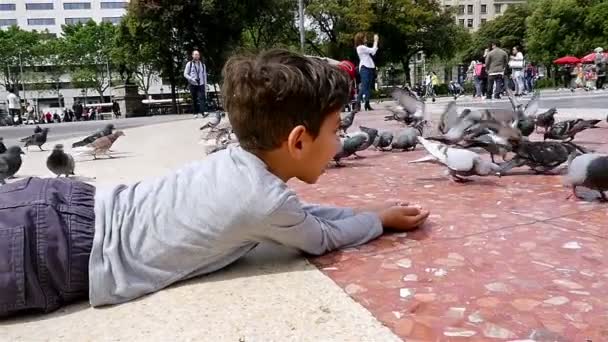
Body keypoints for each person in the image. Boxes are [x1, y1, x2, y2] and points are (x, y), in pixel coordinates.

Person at [0, 49, 430, 318]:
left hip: (62, 205)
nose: (340, 140)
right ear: (298, 140)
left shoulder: (236, 165)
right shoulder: (263, 201)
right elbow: (321, 235)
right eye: (336, 128)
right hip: (53, 253)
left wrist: (364, 212)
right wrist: (379, 219)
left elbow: (301, 216)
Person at [354, 32, 379, 111]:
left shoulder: (364, 47)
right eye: (364, 37)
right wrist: (375, 41)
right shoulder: (360, 47)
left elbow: (373, 52)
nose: (366, 39)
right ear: (361, 39)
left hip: (370, 67)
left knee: (368, 86)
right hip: (364, 68)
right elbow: (373, 50)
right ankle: (358, 103)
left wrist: (375, 44)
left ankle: (367, 104)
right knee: (365, 86)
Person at [184, 49, 208, 118]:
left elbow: (204, 76)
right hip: (193, 84)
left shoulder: (203, 65)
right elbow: (185, 74)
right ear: (192, 56)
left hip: (201, 84)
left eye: (198, 54)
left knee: (202, 98)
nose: (197, 56)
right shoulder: (189, 64)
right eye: (195, 54)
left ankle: (203, 112)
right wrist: (192, 79)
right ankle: (195, 113)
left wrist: (205, 84)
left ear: (199, 56)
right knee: (194, 99)